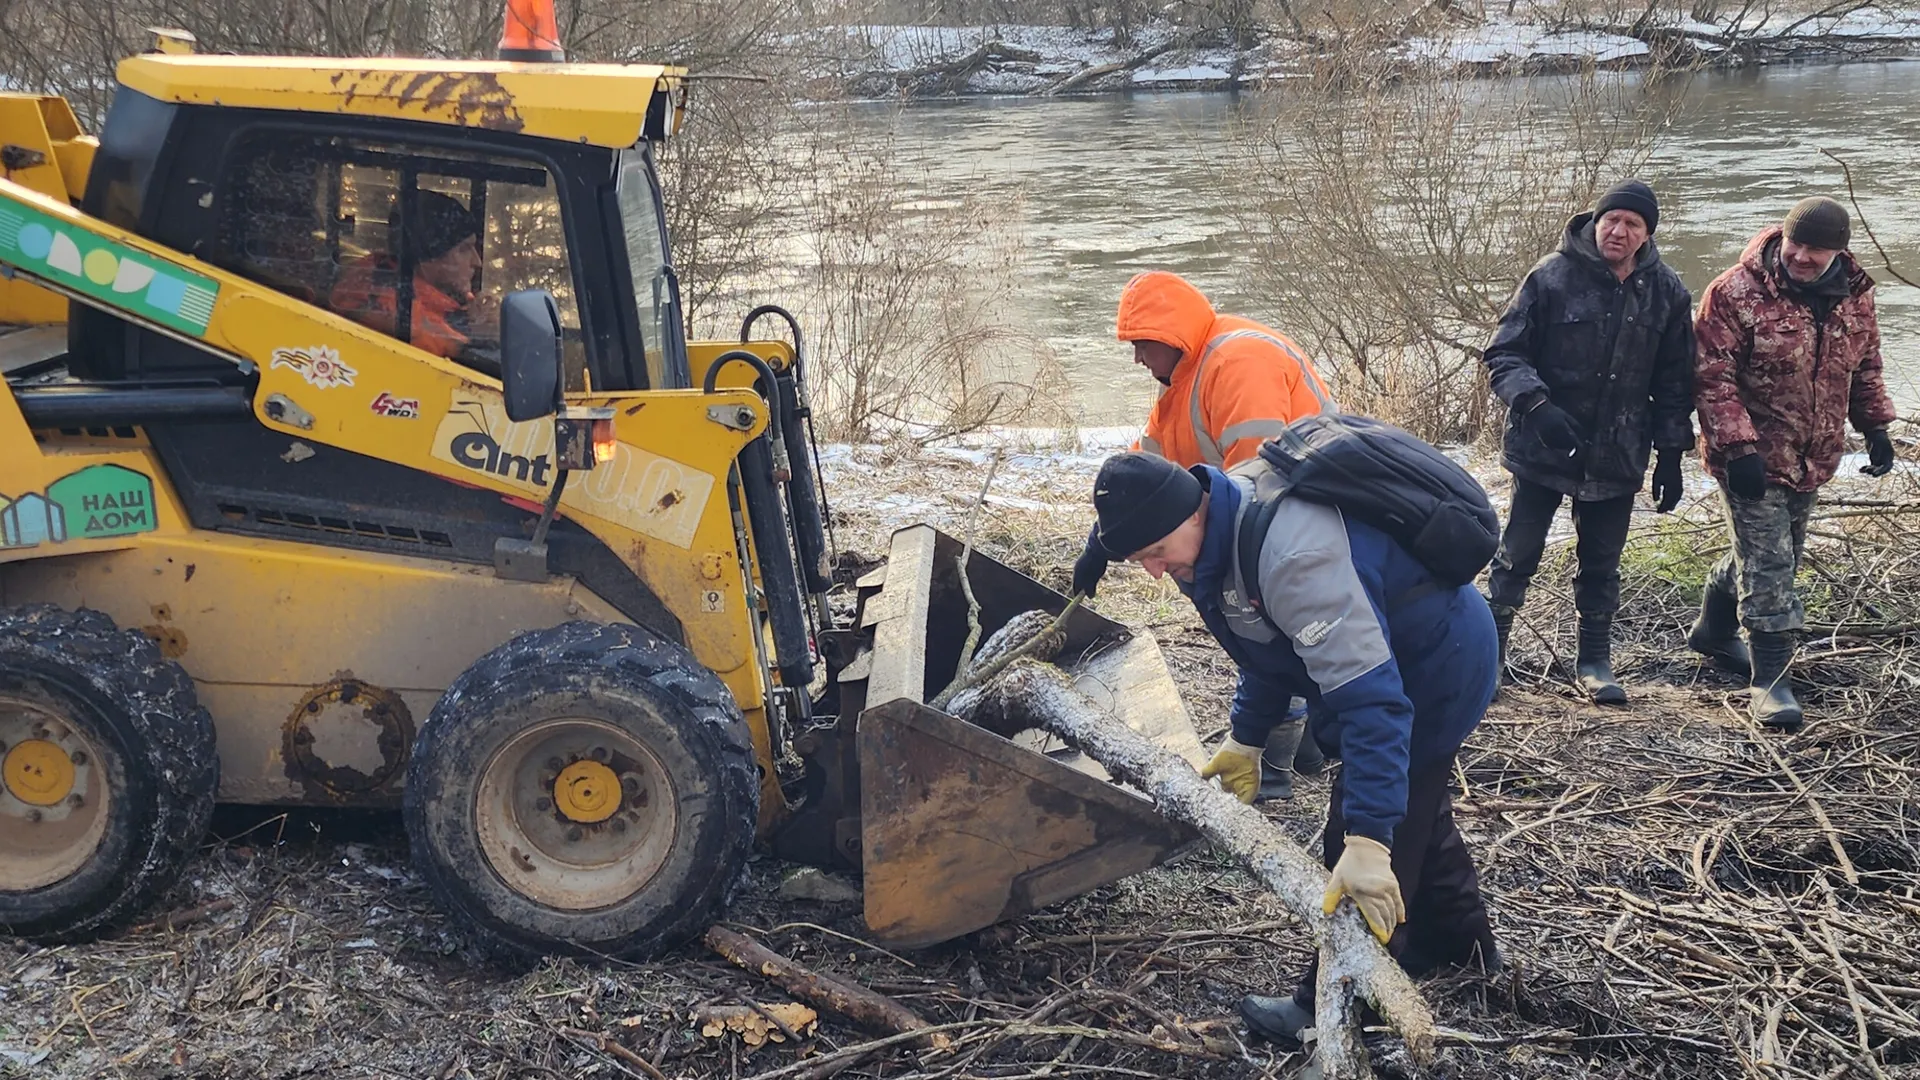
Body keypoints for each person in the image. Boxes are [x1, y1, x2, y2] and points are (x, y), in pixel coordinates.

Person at [1081, 451, 1500, 1045]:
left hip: (1432, 667)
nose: (1153, 571)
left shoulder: (1295, 558)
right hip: (1397, 660)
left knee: (1366, 842)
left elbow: (1374, 705)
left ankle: (1340, 1004)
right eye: (1139, 559)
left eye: (1154, 552)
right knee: (1420, 815)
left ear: (1191, 511)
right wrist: (1247, 738)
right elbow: (1269, 646)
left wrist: (1366, 839)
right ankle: (1462, 949)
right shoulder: (1215, 532)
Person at [1077, 270, 1339, 799]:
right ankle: (1309, 738)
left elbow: (1259, 477)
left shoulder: (1237, 362)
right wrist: (1101, 539)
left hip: (1305, 515)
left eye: (1141, 345)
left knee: (1267, 625)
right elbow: (1145, 469)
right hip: (1266, 514)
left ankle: (1275, 772)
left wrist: (1224, 569)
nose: (1137, 360)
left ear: (1171, 337)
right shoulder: (1184, 381)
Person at [1481, 180, 1696, 704]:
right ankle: (1488, 657)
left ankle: (1595, 662)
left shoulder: (1667, 291)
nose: (1618, 231)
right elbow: (1503, 354)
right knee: (1517, 555)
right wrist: (1536, 406)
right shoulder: (1550, 276)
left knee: (1602, 560)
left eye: (1632, 225)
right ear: (1595, 221)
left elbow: (1675, 381)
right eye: (1611, 220)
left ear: (1646, 235)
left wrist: (1671, 456)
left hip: (1619, 453)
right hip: (1543, 445)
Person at [1691, 197, 1898, 730]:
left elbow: (1867, 363)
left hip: (1815, 454)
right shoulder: (1733, 292)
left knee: (1776, 552)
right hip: (1751, 457)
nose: (1803, 256)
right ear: (1782, 238)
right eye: (1796, 243)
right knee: (1771, 562)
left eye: (1818, 248)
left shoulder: (1855, 294)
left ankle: (1713, 632)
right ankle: (1770, 678)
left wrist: (1874, 427)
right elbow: (1711, 377)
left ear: (1839, 250)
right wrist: (1737, 449)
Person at [331, 190, 494, 364]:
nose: (477, 262)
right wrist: (483, 333)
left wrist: (469, 318)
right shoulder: (388, 303)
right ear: (427, 257)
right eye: (464, 250)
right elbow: (458, 357)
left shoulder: (405, 288)